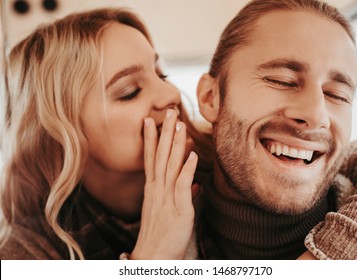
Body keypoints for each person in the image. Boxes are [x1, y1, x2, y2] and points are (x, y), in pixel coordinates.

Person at [0, 8, 205, 260]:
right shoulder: (24, 253)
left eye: (161, 75)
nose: (171, 95)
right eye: (130, 91)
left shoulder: (224, 185)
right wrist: (153, 257)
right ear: (61, 136)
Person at [194, 0, 357, 259]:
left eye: (337, 95)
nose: (316, 114)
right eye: (281, 81)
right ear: (210, 97)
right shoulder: (142, 242)